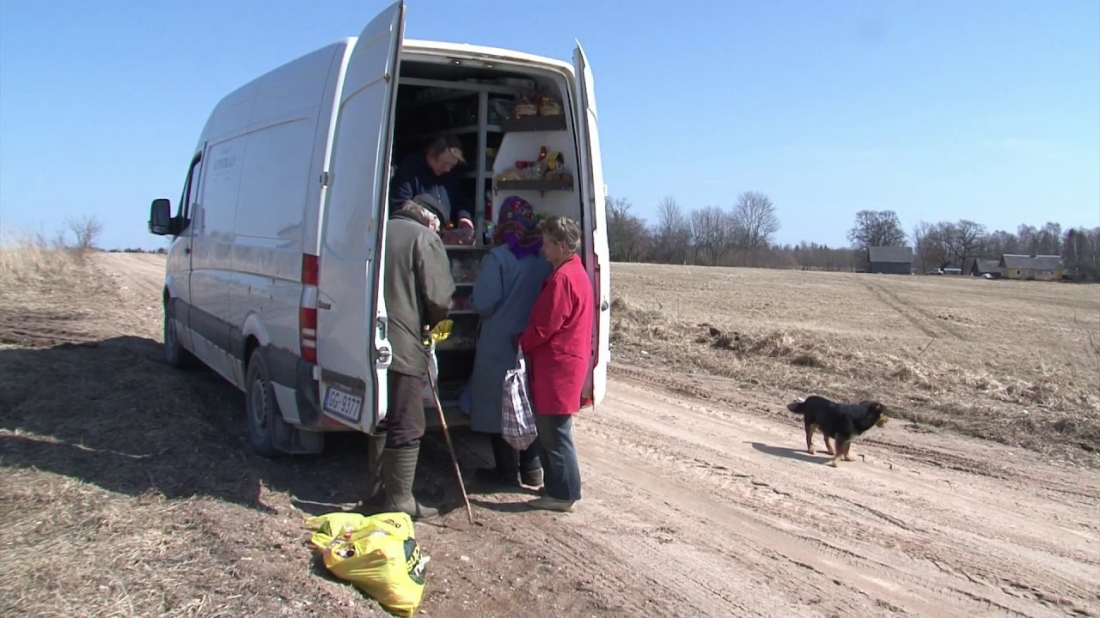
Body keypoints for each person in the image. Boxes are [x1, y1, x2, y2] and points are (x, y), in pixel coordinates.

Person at [369, 193, 456, 519]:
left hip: (367, 340)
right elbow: (439, 296)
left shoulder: (379, 230)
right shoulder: (424, 238)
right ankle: (399, 499)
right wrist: (434, 325)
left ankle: (376, 491)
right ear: (432, 219)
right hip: (404, 343)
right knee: (407, 420)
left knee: (378, 415)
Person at [463, 196, 552, 488]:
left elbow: (484, 302)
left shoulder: (499, 257)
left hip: (499, 343)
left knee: (498, 406)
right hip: (531, 343)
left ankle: (505, 473)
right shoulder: (544, 257)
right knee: (524, 405)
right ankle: (532, 468)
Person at [517, 216, 594, 512]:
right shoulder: (574, 272)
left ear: (562, 246)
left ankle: (564, 493)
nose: (543, 249)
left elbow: (546, 325)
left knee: (555, 431)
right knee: (551, 429)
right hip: (562, 363)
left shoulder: (563, 279)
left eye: (547, 243)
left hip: (557, 367)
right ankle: (555, 485)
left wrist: (521, 344)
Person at [389, 136, 468, 223]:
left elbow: (461, 201)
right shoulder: (410, 168)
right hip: (417, 227)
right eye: (445, 164)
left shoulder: (450, 176)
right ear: (431, 156)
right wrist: (425, 217)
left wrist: (464, 218)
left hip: (445, 230)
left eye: (452, 165)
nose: (448, 169)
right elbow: (400, 203)